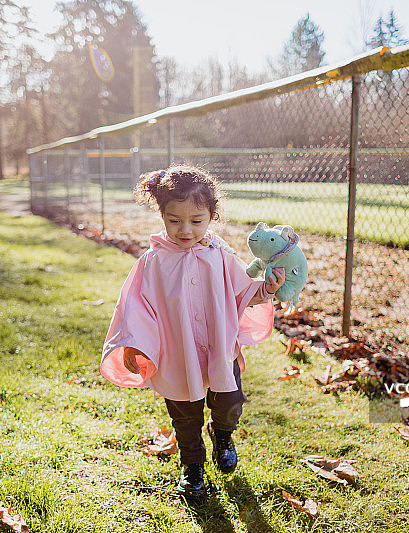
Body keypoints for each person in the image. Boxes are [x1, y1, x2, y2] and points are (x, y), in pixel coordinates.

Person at [100, 164, 284, 505]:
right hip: (177, 353)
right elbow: (137, 309)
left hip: (219, 350)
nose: (185, 230)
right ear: (162, 215)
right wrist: (134, 346)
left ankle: (222, 434)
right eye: (175, 220)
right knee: (184, 415)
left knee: (229, 403)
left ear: (212, 216)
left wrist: (267, 289)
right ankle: (192, 465)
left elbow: (244, 292)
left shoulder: (220, 255)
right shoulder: (154, 262)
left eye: (196, 221)